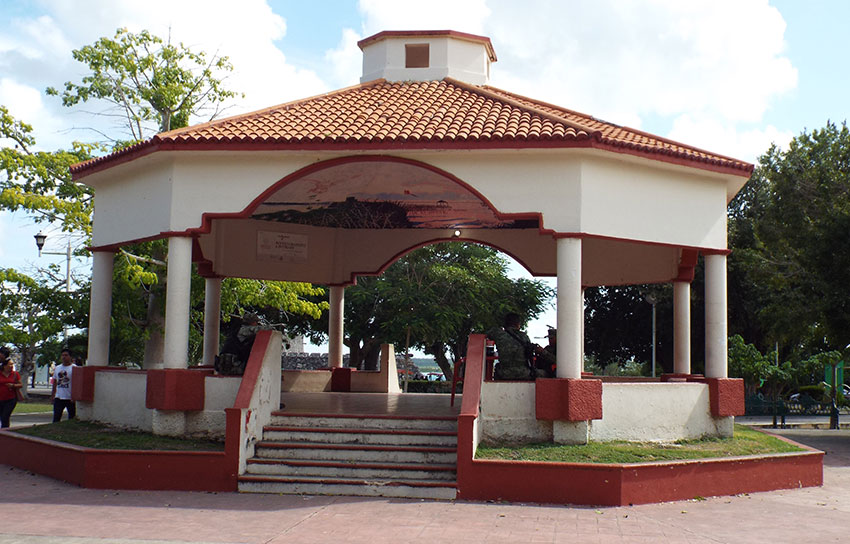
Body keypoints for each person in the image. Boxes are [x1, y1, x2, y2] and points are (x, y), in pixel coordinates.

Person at [487, 312, 545, 380]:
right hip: (524, 373)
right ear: (518, 324)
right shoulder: (524, 337)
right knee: (545, 373)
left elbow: (489, 333)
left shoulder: (499, 335)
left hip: (503, 373)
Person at [0, 346, 23, 428]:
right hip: (0, 399)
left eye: (12, 365)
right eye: (9, 365)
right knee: (2, 417)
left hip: (11, 399)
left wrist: (13, 385)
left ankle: (5, 434)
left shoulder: (15, 374)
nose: (11, 366)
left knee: (5, 417)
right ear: (4, 366)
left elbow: (21, 384)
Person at [51, 348, 76, 422]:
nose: (64, 357)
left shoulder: (74, 368)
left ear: (70, 357)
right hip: (59, 397)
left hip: (70, 398)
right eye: (62, 355)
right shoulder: (58, 368)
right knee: (56, 417)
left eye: (66, 355)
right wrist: (53, 395)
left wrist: (74, 397)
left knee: (71, 417)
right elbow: (55, 381)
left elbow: (77, 383)